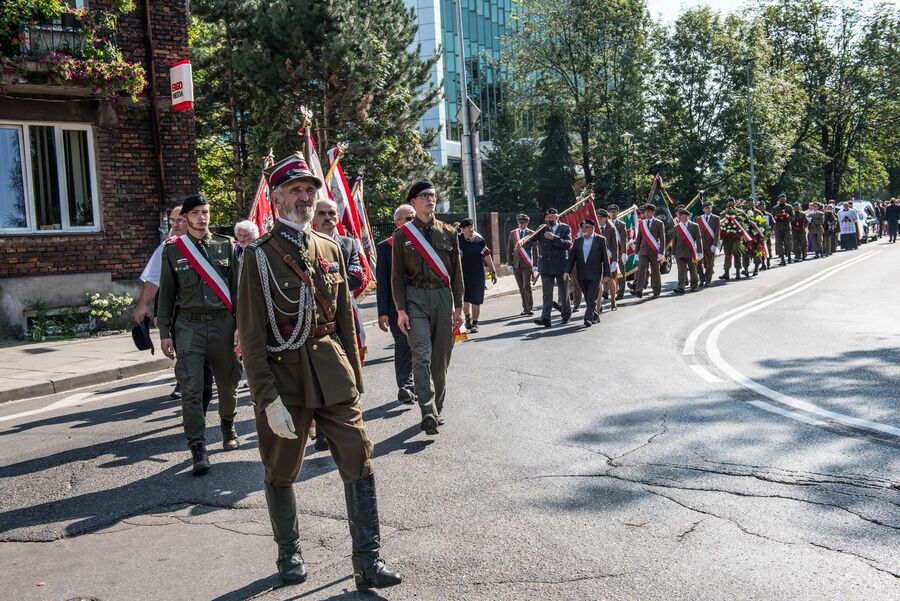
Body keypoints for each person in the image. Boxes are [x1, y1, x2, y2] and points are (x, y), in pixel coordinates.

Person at [237, 152, 401, 591]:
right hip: (284, 376)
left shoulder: (331, 247)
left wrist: (356, 379)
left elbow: (345, 321)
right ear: (276, 198)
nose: (306, 197)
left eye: (311, 190)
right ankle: (288, 551)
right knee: (280, 467)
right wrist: (265, 399)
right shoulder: (257, 256)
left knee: (358, 456)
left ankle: (368, 560)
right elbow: (252, 335)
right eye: (296, 190)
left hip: (332, 372)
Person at [157, 192, 242, 475]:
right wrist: (164, 333)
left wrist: (240, 326)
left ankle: (228, 424)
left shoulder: (226, 246)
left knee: (228, 383)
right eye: (196, 213)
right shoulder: (172, 250)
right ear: (185, 218)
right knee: (192, 389)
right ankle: (198, 447)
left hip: (223, 325)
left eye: (205, 212)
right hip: (189, 327)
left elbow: (237, 290)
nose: (202, 217)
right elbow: (166, 295)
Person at [391, 180, 464, 435]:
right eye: (424, 195)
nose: (430, 199)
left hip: (443, 298)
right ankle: (427, 410)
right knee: (421, 355)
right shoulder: (402, 236)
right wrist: (400, 309)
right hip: (415, 298)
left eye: (432, 195)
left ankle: (438, 407)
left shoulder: (449, 233)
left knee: (440, 360)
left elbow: (456, 273)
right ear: (413, 201)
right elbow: (397, 277)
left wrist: (459, 307)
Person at [133, 206, 213, 404]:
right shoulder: (167, 248)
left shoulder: (215, 245)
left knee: (207, 364)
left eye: (179, 221)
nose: (175, 225)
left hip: (212, 316)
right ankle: (186, 387)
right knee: (187, 358)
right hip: (181, 316)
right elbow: (154, 280)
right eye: (172, 221)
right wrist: (144, 305)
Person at [310, 198, 365, 452]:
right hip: (314, 322)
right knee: (321, 377)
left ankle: (348, 424)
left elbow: (357, 275)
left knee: (347, 372)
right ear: (313, 216)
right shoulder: (306, 243)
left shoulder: (348, 243)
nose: (328, 217)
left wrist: (328, 283)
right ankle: (322, 431)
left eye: (332, 213)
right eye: (322, 213)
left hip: (345, 315)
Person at [376, 204, 416, 406]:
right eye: (405, 219)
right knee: (403, 344)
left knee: (421, 346)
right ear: (396, 222)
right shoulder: (385, 247)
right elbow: (382, 282)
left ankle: (419, 384)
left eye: (412, 218)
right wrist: (382, 312)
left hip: (420, 304)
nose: (409, 222)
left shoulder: (423, 243)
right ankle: (406, 386)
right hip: (395, 308)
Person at [532, 208, 573, 327]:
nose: (550, 219)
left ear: (557, 217)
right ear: (545, 218)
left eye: (553, 217)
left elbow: (568, 244)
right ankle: (546, 318)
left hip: (561, 265)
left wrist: (553, 237)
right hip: (546, 266)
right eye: (548, 217)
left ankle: (566, 315)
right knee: (547, 294)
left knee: (563, 292)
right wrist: (522, 241)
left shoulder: (565, 228)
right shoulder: (542, 228)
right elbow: (531, 238)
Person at [566, 218, 610, 327]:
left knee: (590, 297)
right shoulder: (578, 241)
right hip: (581, 274)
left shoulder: (600, 240)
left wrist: (607, 274)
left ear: (593, 228)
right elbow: (572, 258)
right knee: (588, 297)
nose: (584, 229)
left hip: (595, 274)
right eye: (583, 227)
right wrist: (567, 271)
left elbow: (605, 258)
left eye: (586, 227)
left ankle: (588, 318)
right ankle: (595, 315)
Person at [458, 218, 497, 334]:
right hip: (462, 273)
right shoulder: (458, 240)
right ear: (463, 229)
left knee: (476, 299)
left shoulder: (479, 240)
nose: (471, 230)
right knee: (465, 299)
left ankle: (475, 323)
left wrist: (493, 271)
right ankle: (468, 318)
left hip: (477, 273)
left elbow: (486, 255)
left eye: (472, 228)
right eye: (469, 228)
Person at [631, 203, 665, 298]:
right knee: (641, 270)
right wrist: (636, 252)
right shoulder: (642, 223)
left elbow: (662, 239)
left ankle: (656, 291)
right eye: (645, 211)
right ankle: (639, 290)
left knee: (655, 272)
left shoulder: (659, 223)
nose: (646, 213)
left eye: (648, 211)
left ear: (653, 212)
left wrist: (661, 252)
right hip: (643, 252)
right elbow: (639, 239)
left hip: (654, 252)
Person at [507, 214, 538, 315]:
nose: (521, 224)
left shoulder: (532, 233)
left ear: (527, 223)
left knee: (526, 285)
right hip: (516, 264)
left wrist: (535, 265)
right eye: (520, 222)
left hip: (527, 264)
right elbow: (509, 249)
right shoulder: (513, 233)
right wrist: (510, 263)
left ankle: (530, 307)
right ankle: (525, 308)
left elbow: (534, 250)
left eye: (523, 222)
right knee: (521, 287)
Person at [671, 208, 702, 293]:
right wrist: (673, 253)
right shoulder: (677, 227)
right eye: (682, 216)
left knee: (693, 270)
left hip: (691, 252)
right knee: (681, 271)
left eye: (685, 216)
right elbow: (674, 241)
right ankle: (681, 287)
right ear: (679, 218)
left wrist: (700, 252)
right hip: (679, 252)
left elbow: (699, 240)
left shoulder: (695, 226)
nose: (683, 218)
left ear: (688, 217)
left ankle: (694, 286)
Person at [596, 209, 620, 310]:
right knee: (599, 282)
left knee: (610, 280)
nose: (598, 219)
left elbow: (615, 246)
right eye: (597, 217)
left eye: (600, 217)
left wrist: (615, 260)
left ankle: (613, 301)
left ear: (605, 218)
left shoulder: (611, 228)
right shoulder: (595, 228)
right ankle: (598, 306)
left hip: (609, 257)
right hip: (597, 258)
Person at [608, 205, 628, 302]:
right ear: (608, 213)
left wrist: (624, 252)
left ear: (618, 213)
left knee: (621, 273)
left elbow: (624, 239)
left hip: (619, 252)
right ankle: (609, 291)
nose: (613, 213)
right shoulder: (606, 224)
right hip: (609, 252)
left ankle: (620, 293)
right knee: (609, 273)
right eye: (611, 212)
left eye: (615, 212)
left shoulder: (622, 224)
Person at [697, 201, 720, 285]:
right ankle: (702, 278)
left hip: (711, 244)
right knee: (698, 264)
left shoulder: (716, 218)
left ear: (711, 208)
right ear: (703, 209)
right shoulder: (699, 219)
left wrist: (715, 244)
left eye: (709, 207)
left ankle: (708, 280)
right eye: (706, 208)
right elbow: (697, 232)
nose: (708, 209)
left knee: (710, 264)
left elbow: (717, 233)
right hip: (701, 244)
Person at [772, 194, 793, 265]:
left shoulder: (789, 207)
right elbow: (772, 217)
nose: (782, 200)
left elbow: (793, 217)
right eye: (781, 199)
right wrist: (776, 218)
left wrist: (787, 217)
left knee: (788, 243)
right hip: (778, 227)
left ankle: (789, 257)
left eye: (783, 198)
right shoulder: (775, 208)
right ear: (779, 200)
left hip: (786, 226)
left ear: (785, 199)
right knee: (779, 243)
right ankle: (782, 259)